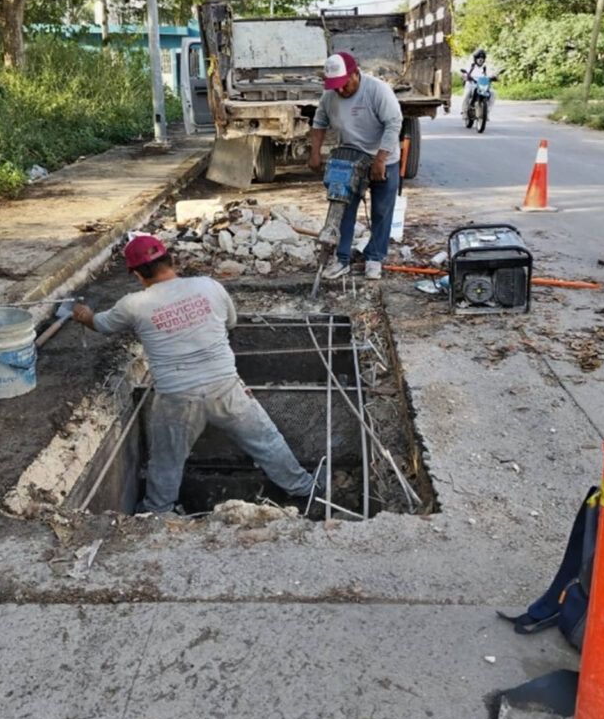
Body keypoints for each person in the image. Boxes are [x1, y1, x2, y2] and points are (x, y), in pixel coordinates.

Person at [72, 235, 318, 513]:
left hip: (177, 397)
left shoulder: (132, 304)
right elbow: (231, 322)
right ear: (172, 261)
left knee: (167, 460)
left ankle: (157, 512)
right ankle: (305, 490)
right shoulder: (209, 286)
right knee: (266, 440)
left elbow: (101, 325)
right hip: (225, 387)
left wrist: (83, 315)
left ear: (138, 275)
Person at [308, 50, 403, 281]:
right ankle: (342, 259)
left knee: (381, 210)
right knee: (342, 209)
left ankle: (375, 257)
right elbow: (319, 123)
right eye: (335, 86)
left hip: (383, 155)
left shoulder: (377, 90)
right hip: (350, 157)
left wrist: (380, 159)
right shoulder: (329, 96)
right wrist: (314, 154)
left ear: (355, 74)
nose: (340, 90)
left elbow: (394, 123)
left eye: (344, 84)